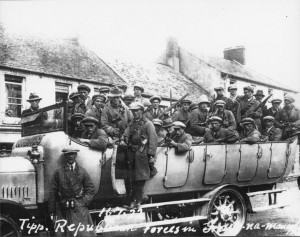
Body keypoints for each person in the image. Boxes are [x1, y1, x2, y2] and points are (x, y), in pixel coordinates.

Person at [48, 146, 96, 237]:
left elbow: (90, 189)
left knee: (82, 234)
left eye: (72, 154)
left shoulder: (82, 171)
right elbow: (52, 192)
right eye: (68, 154)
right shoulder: (58, 172)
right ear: (65, 156)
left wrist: (83, 202)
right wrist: (52, 210)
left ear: (76, 155)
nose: (70, 156)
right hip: (63, 209)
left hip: (79, 208)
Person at [122, 102, 158, 209]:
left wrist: (151, 155)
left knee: (140, 178)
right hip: (132, 154)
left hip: (142, 153)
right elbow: (126, 135)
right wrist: (124, 140)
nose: (135, 113)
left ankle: (136, 200)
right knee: (132, 178)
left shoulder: (148, 124)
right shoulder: (131, 124)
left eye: (137, 110)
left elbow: (153, 140)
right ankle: (138, 198)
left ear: (141, 111)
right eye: (133, 111)